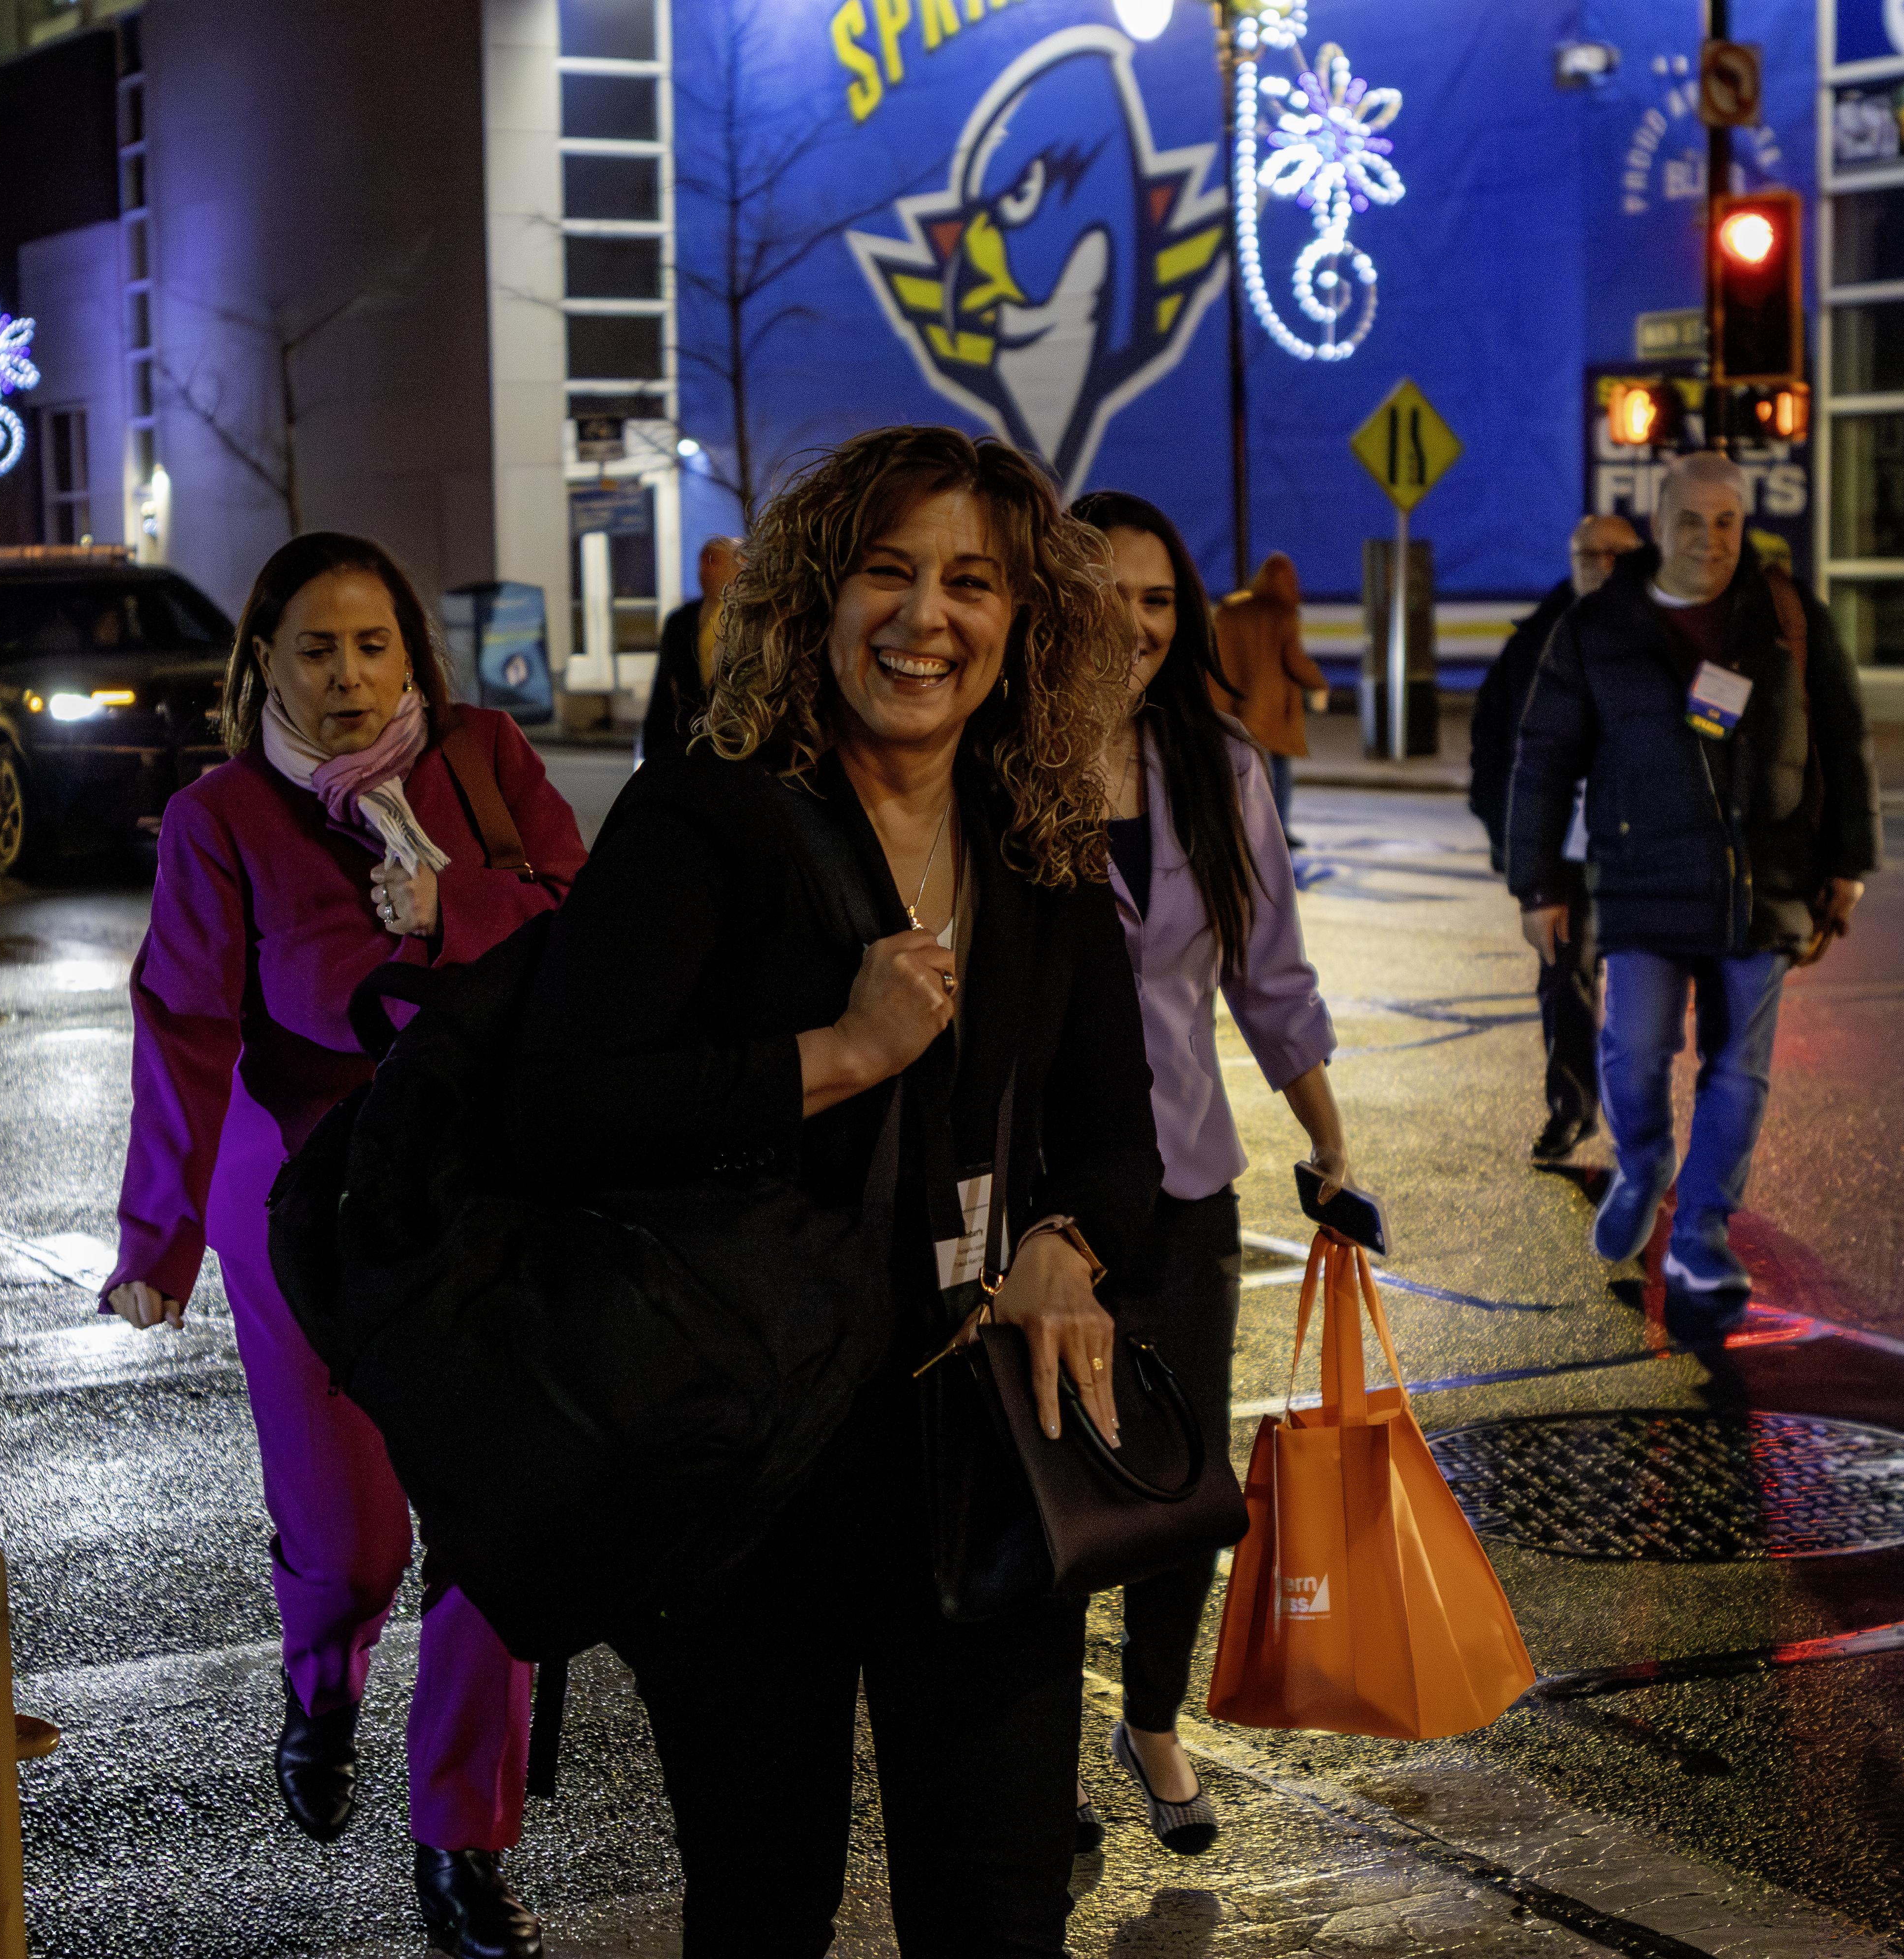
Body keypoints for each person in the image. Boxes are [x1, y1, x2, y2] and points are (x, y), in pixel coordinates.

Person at [511, 427, 1160, 1958]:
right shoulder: (705, 820)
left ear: (1019, 622)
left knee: (998, 1902)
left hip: (977, 1434)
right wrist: (835, 1051)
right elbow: (556, 1109)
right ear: (816, 596)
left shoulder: (1039, 836)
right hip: (752, 1450)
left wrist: (1069, 1243)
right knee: (763, 1896)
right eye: (886, 570)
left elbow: (1117, 1130)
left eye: (967, 582)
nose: (923, 617)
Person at [101, 532, 589, 1959]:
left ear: (411, 657)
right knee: (356, 1544)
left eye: (372, 645)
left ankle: (461, 1847)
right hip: (306, 1206)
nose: (347, 677)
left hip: (482, 1199)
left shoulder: (485, 764)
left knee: (490, 1535)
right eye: (314, 649)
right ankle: (322, 1681)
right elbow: (186, 1029)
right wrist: (157, 1232)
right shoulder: (224, 817)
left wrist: (457, 907)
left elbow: (583, 922)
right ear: (261, 660)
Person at [1068, 490, 1348, 1859]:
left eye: (1159, 599)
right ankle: (1035, 1750)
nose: (1133, 623)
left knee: (1179, 1491)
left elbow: (1268, 976)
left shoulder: (1219, 762)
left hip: (1185, 1180)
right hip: (1035, 1201)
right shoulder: (997, 755)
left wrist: (1332, 1142)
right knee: (1045, 1475)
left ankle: (1155, 1719)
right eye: (1105, 593)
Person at [1504, 452, 1880, 1334]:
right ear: (1657, 521)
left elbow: (1845, 736)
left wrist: (1849, 864)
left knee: (1738, 1069)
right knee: (1632, 1055)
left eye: (1726, 522)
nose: (1708, 540)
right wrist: (1538, 884)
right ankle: (1642, 1165)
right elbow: (1545, 757)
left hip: (1765, 878)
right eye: (1690, 521)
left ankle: (1702, 1228)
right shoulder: (1599, 626)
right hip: (1640, 879)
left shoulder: (1785, 615)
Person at [1470, 515, 1642, 1162]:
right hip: (1563, 855)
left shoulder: (1663, 636)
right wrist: (1519, 856)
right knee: (1564, 980)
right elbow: (1495, 748)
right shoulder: (1536, 642)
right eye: (1588, 553)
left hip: (1644, 849)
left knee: (1642, 986)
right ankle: (1572, 1108)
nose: (1601, 564)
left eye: (1616, 554)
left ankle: (1639, 1128)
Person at [1209, 551, 1329, 846]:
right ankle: (1277, 831)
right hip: (1271, 707)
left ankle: (1237, 828)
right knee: (1277, 770)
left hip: (1230, 701)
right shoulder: (1282, 614)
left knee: (1234, 770)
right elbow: (1294, 660)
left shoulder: (1230, 608)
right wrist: (1318, 684)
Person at [637, 532, 742, 763]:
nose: (705, 569)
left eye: (715, 561)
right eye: (703, 561)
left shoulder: (754, 621)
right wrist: (652, 748)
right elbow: (664, 688)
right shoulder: (681, 621)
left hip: (736, 748)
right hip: (688, 747)